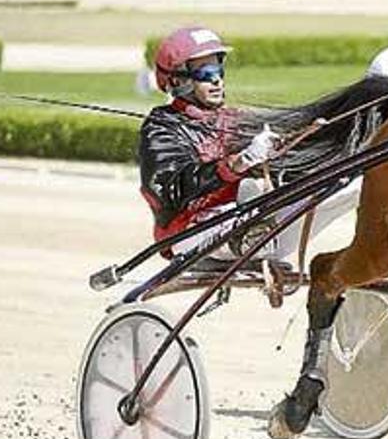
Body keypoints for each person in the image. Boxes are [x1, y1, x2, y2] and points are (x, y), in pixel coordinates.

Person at [139, 27, 361, 306]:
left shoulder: (233, 119)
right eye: (205, 74)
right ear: (178, 81)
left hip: (255, 224)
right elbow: (171, 190)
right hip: (189, 232)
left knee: (352, 184)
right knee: (250, 188)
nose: (217, 80)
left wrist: (293, 142)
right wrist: (239, 162)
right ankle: (254, 242)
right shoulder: (161, 129)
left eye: (219, 70)